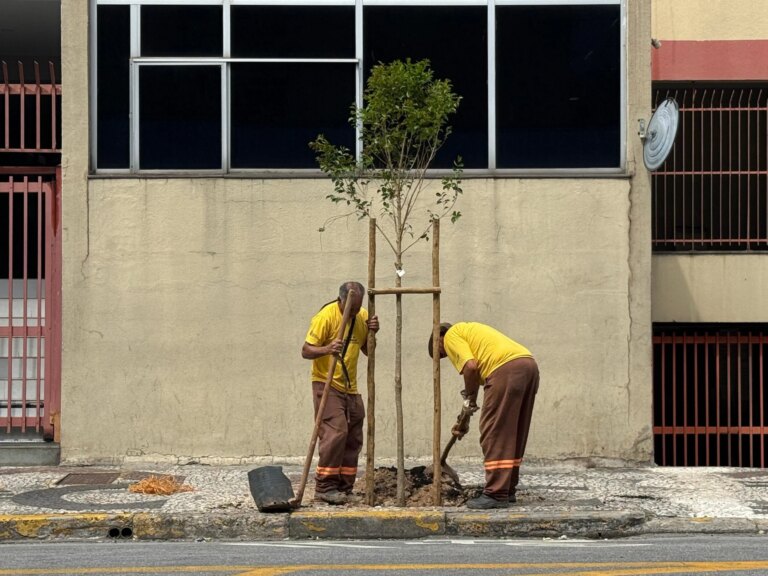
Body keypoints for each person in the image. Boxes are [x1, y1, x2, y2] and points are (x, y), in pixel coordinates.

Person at [428, 321, 539, 509]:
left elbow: (470, 367)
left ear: (439, 339)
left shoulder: (451, 335)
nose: (447, 356)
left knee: (494, 432)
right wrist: (465, 416)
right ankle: (507, 488)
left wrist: (469, 398)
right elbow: (475, 376)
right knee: (513, 431)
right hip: (528, 366)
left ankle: (496, 493)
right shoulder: (469, 332)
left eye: (441, 354)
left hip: (505, 370)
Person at [301, 281, 379, 505]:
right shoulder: (326, 316)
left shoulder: (362, 315)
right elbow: (306, 350)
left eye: (357, 307)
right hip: (327, 382)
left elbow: (367, 350)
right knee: (336, 432)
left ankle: (345, 485)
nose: (354, 312)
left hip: (350, 386)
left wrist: (373, 332)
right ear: (341, 300)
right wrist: (326, 349)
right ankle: (325, 486)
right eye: (350, 308)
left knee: (353, 434)